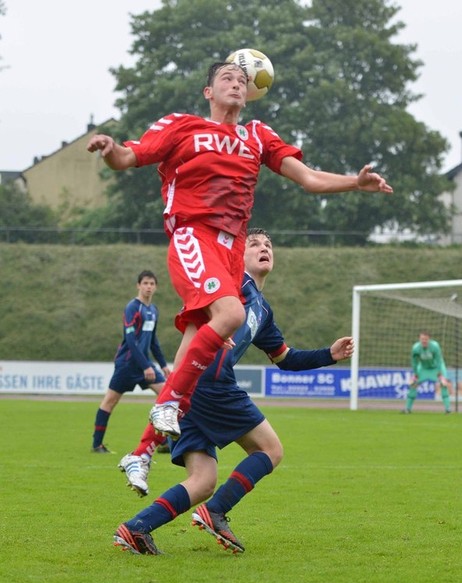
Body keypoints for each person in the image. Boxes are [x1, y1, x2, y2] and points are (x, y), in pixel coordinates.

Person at [87, 60, 392, 439]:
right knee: (231, 313)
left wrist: (355, 183)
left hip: (231, 251)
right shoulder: (182, 126)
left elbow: (309, 178)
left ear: (249, 94)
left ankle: (143, 451)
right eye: (226, 78)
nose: (235, 84)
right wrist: (110, 148)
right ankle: (169, 403)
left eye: (242, 80)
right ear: (208, 92)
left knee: (198, 334)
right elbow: (127, 158)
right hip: (193, 235)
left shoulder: (257, 136)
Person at [112, 228, 355, 555]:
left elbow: (285, 358)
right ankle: (215, 511)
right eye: (254, 244)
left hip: (194, 389)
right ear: (238, 254)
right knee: (271, 450)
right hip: (210, 380)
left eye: (268, 244)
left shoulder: (262, 310)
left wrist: (329, 354)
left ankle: (136, 528)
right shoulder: (229, 283)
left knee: (203, 481)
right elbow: (197, 314)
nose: (264, 248)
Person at [91, 270, 171, 453]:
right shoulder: (132, 308)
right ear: (138, 286)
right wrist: (145, 366)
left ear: (156, 287)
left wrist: (163, 364)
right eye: (145, 283)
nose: (148, 287)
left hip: (145, 365)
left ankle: (164, 442)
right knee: (110, 401)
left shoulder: (153, 310)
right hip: (127, 364)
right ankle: (97, 445)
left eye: (152, 283)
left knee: (167, 398)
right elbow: (130, 340)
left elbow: (153, 341)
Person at [401, 330, 451, 414]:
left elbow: (439, 360)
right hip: (423, 369)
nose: (424, 341)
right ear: (419, 339)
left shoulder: (435, 346)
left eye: (426, 339)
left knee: (443, 384)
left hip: (436, 368)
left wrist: (440, 373)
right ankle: (407, 409)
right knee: (413, 384)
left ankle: (448, 409)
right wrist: (415, 373)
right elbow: (414, 362)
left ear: (429, 339)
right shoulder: (416, 348)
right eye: (422, 339)